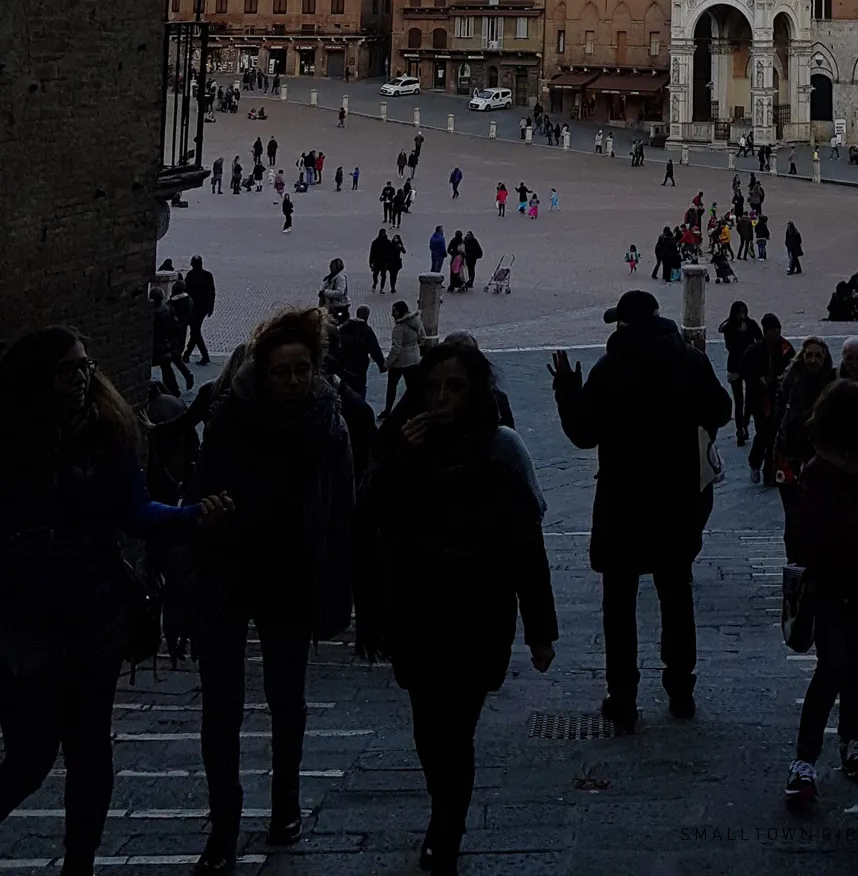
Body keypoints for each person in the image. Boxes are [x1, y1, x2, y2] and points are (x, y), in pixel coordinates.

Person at [0, 329, 224, 876]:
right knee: (30, 756)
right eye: (65, 369)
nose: (79, 378)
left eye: (84, 366)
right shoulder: (8, 444)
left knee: (90, 751)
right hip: (24, 615)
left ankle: (81, 864)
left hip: (92, 613)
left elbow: (136, 512)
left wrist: (192, 516)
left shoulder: (108, 435)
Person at [357, 339, 556, 876]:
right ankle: (444, 812)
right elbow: (373, 517)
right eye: (434, 387)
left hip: (478, 612)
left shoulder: (499, 449)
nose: (442, 398)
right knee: (428, 727)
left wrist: (541, 630)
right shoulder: (400, 444)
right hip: (417, 610)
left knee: (457, 728)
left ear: (474, 394)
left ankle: (447, 826)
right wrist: (399, 456)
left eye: (456, 387)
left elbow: (526, 542)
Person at [192, 309, 354, 870]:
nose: (292, 381)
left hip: (289, 575)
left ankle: (285, 807)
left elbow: (341, 512)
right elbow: (202, 488)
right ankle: (225, 824)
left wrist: (338, 588)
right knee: (222, 706)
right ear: (262, 371)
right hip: (229, 573)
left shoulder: (329, 424)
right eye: (282, 371)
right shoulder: (229, 415)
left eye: (301, 370)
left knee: (288, 702)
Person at [550, 289, 731, 730]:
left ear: (623, 326)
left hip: (623, 500)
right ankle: (681, 687)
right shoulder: (689, 361)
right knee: (676, 592)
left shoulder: (610, 369)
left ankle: (624, 696)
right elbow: (722, 409)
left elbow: (583, 433)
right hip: (676, 498)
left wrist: (567, 390)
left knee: (619, 603)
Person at [783, 379, 858, 806]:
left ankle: (852, 740)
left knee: (854, 666)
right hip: (827, 584)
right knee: (832, 666)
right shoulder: (819, 470)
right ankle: (804, 759)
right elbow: (812, 532)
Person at [771, 337, 835, 516]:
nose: (813, 360)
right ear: (802, 357)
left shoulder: (830, 382)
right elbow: (780, 403)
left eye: (818, 356)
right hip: (789, 451)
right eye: (809, 356)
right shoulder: (791, 379)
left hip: (818, 453)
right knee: (791, 509)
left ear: (824, 358)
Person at [742, 314, 795, 485]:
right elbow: (746, 372)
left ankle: (769, 472)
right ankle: (756, 463)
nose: (777, 333)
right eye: (773, 330)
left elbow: (791, 372)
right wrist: (759, 380)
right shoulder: (754, 351)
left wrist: (779, 379)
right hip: (759, 400)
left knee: (773, 435)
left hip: (778, 400)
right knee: (763, 433)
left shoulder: (786, 349)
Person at [718, 301, 762, 447]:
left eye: (743, 312)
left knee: (749, 399)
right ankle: (740, 430)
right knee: (739, 401)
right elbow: (730, 347)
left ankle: (744, 424)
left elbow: (760, 341)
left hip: (749, 367)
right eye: (739, 313)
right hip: (735, 366)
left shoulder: (751, 324)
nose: (741, 316)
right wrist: (739, 334)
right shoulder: (729, 327)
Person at [333, 307, 386, 402]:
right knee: (360, 389)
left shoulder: (344, 327)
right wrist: (381, 365)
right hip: (360, 367)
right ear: (367, 316)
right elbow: (375, 349)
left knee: (343, 387)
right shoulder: (367, 331)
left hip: (344, 365)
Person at [150, 285, 194, 396]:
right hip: (170, 341)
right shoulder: (168, 308)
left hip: (160, 344)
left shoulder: (153, 314)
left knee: (166, 367)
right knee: (170, 364)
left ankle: (173, 390)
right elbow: (175, 323)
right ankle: (180, 382)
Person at [385, 302, 423, 417]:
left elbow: (396, 350)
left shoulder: (399, 328)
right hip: (414, 359)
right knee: (412, 387)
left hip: (400, 362)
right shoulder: (416, 320)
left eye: (394, 311)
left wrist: (387, 363)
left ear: (400, 312)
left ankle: (388, 410)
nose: (392, 314)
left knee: (392, 386)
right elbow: (422, 337)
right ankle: (415, 409)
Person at [369, 228, 392, 293]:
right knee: (375, 275)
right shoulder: (375, 242)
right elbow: (372, 253)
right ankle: (375, 283)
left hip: (384, 262)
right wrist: (371, 262)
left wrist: (389, 261)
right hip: (377, 261)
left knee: (383, 275)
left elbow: (390, 253)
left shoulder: (387, 242)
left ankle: (382, 287)